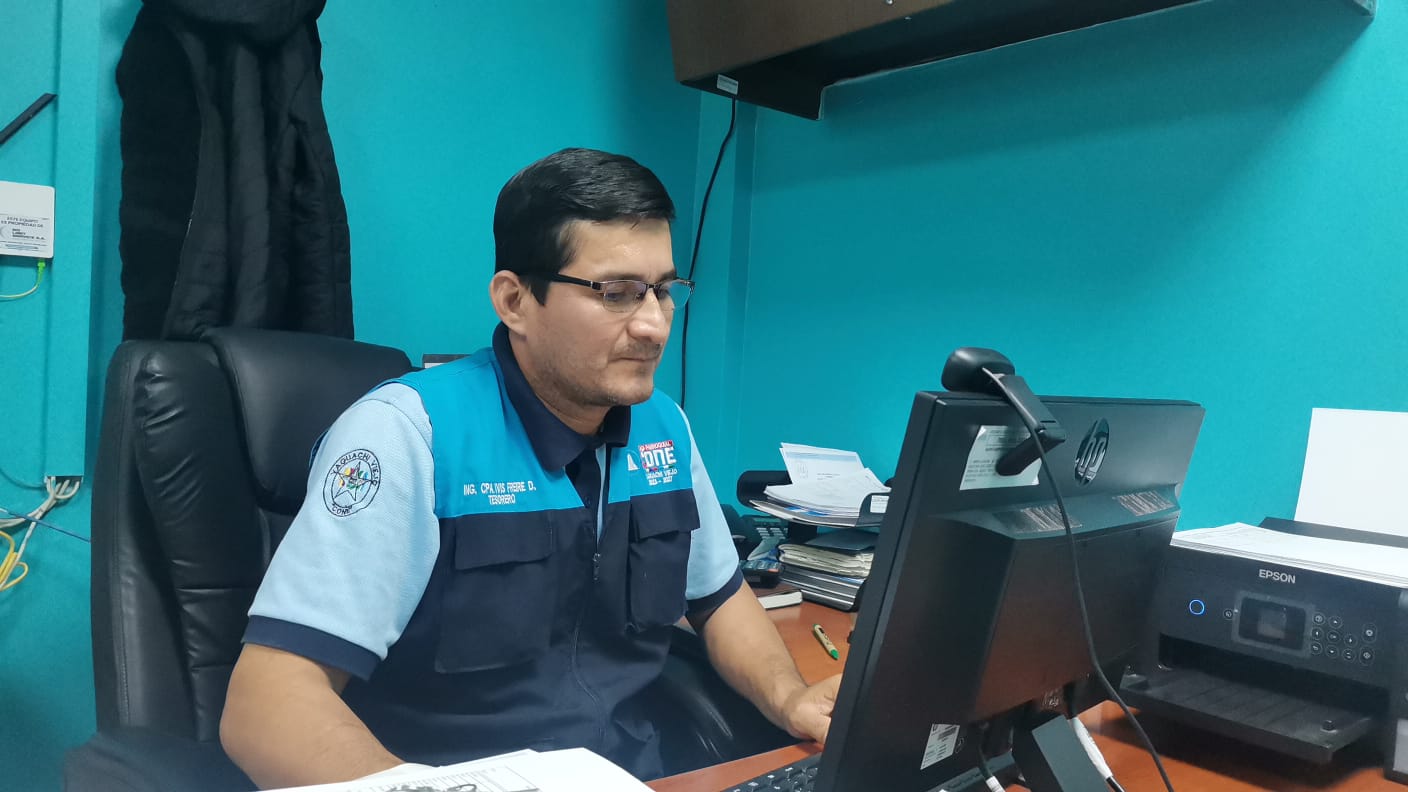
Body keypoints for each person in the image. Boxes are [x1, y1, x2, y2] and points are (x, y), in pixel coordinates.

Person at [220, 148, 842, 788]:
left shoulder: (664, 427)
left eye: (663, 290)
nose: (655, 325)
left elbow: (720, 599)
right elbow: (267, 707)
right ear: (515, 301)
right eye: (618, 294)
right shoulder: (408, 435)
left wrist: (789, 697)